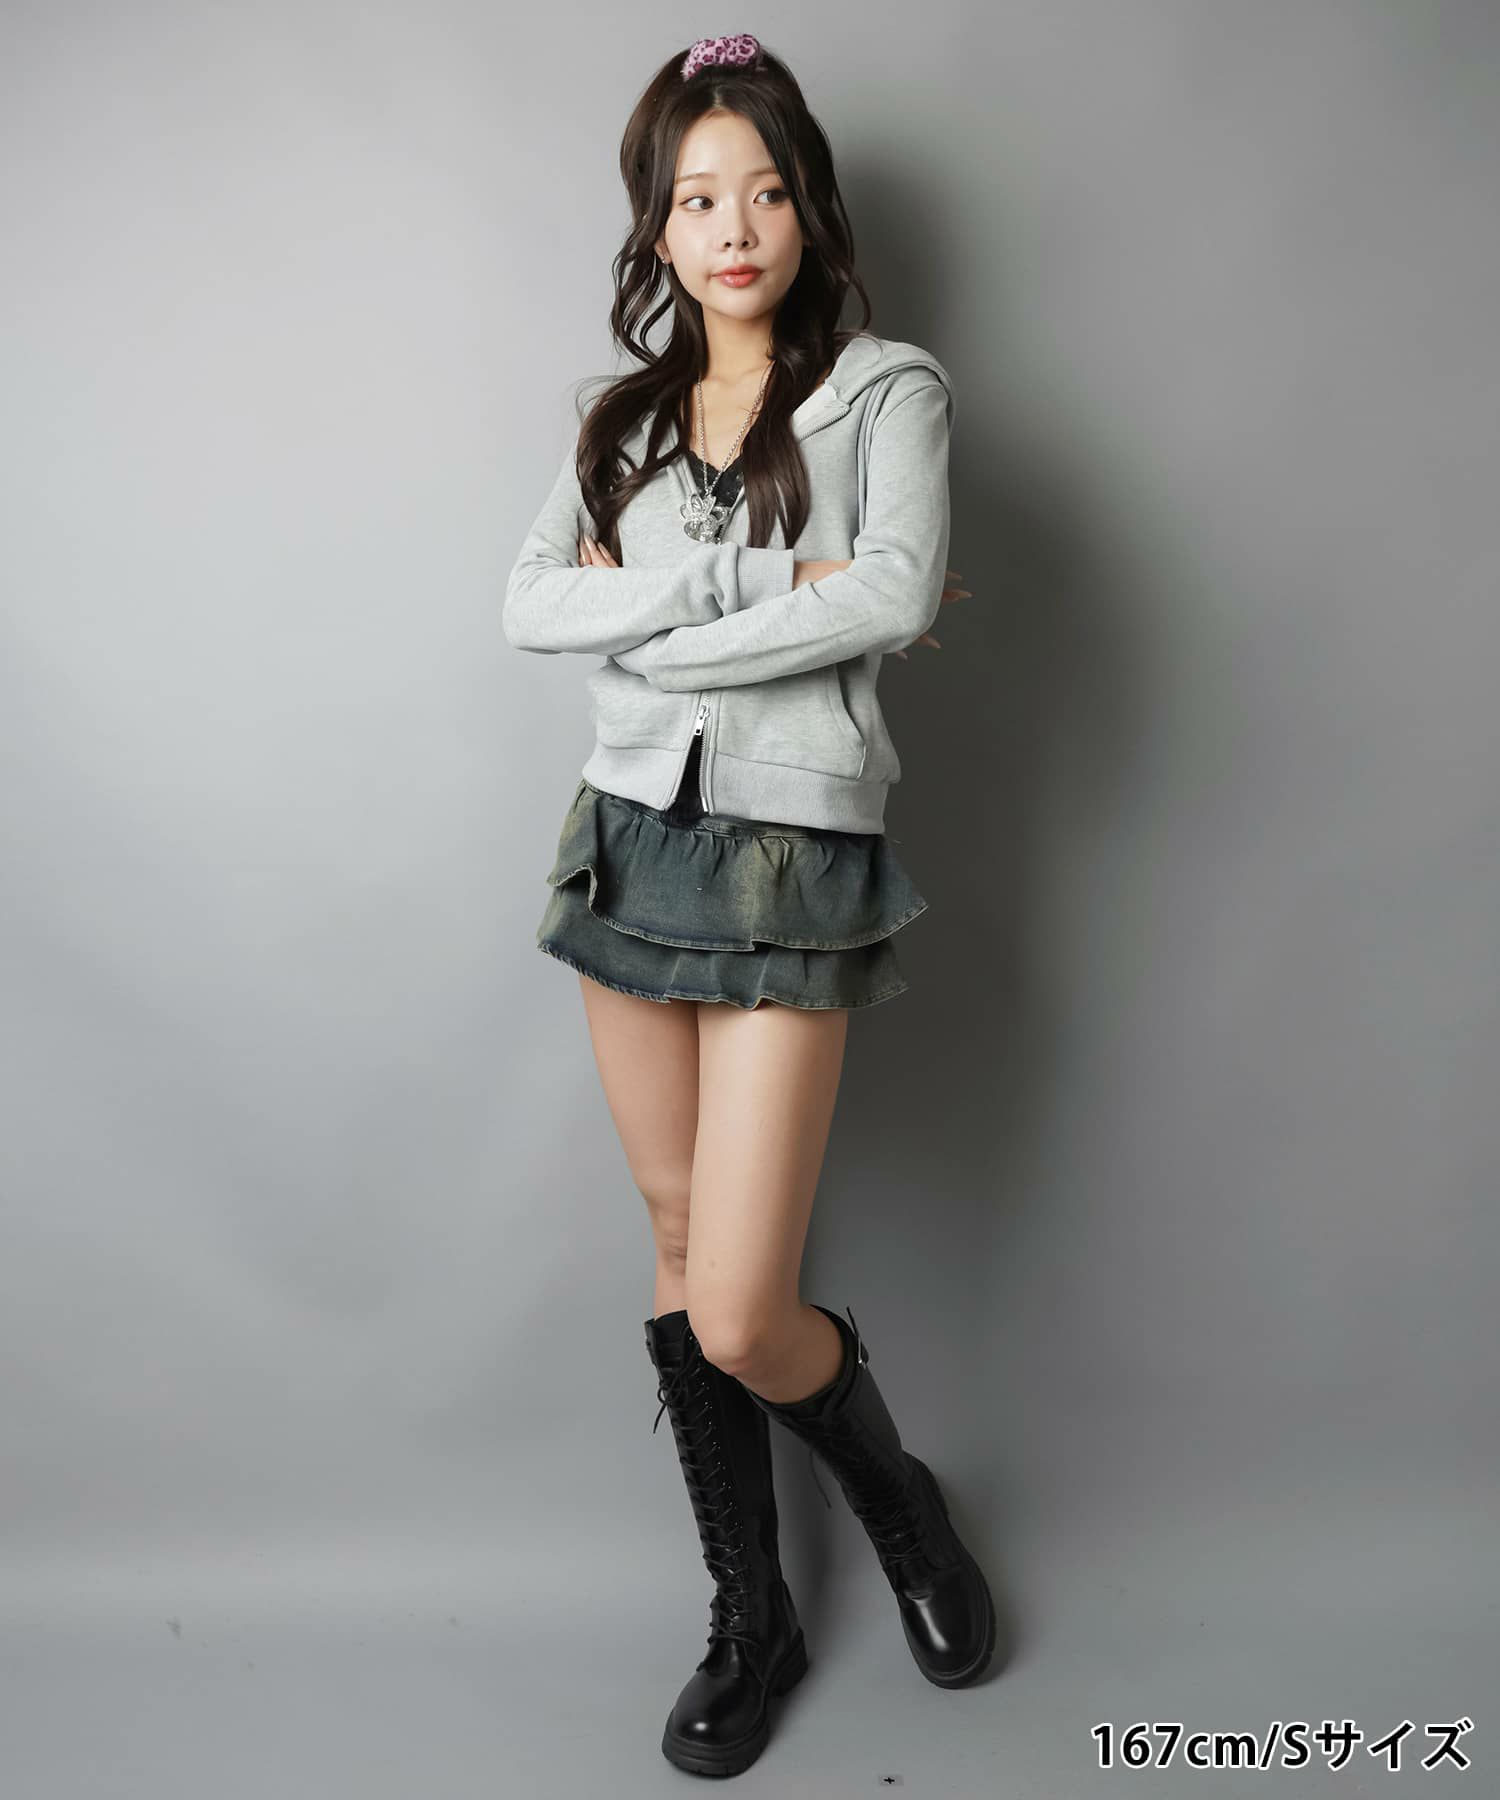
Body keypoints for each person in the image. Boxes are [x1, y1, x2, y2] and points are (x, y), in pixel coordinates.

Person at [502, 31, 995, 1779]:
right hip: (631, 835)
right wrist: (757, 582)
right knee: (675, 1234)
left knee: (738, 1305)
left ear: (809, 210)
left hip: (794, 852)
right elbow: (527, 603)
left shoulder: (888, 393)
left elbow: (892, 594)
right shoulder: (619, 418)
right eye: (699, 198)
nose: (733, 227)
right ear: (659, 224)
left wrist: (650, 611)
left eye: (765, 191)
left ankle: (900, 1501)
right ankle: (751, 1615)